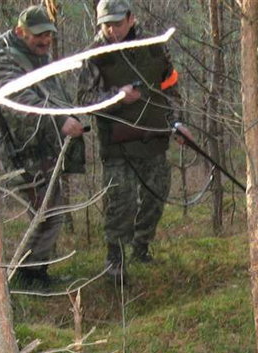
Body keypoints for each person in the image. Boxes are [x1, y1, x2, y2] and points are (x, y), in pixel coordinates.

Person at [78, 0, 188, 283]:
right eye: (106, 24)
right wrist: (116, 97)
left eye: (117, 23)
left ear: (130, 19)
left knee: (156, 195)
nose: (112, 30)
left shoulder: (153, 46)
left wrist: (177, 123)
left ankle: (142, 247)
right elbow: (84, 101)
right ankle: (115, 259)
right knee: (121, 202)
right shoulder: (95, 55)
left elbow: (170, 88)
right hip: (117, 145)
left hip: (154, 138)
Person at [0, 5, 86, 289]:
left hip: (46, 148)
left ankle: (36, 273)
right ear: (21, 32)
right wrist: (59, 122)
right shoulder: (6, 61)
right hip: (27, 152)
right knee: (46, 214)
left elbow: (52, 95)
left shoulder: (37, 57)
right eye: (39, 36)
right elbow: (18, 101)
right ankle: (28, 278)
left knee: (50, 211)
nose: (45, 42)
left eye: (49, 36)